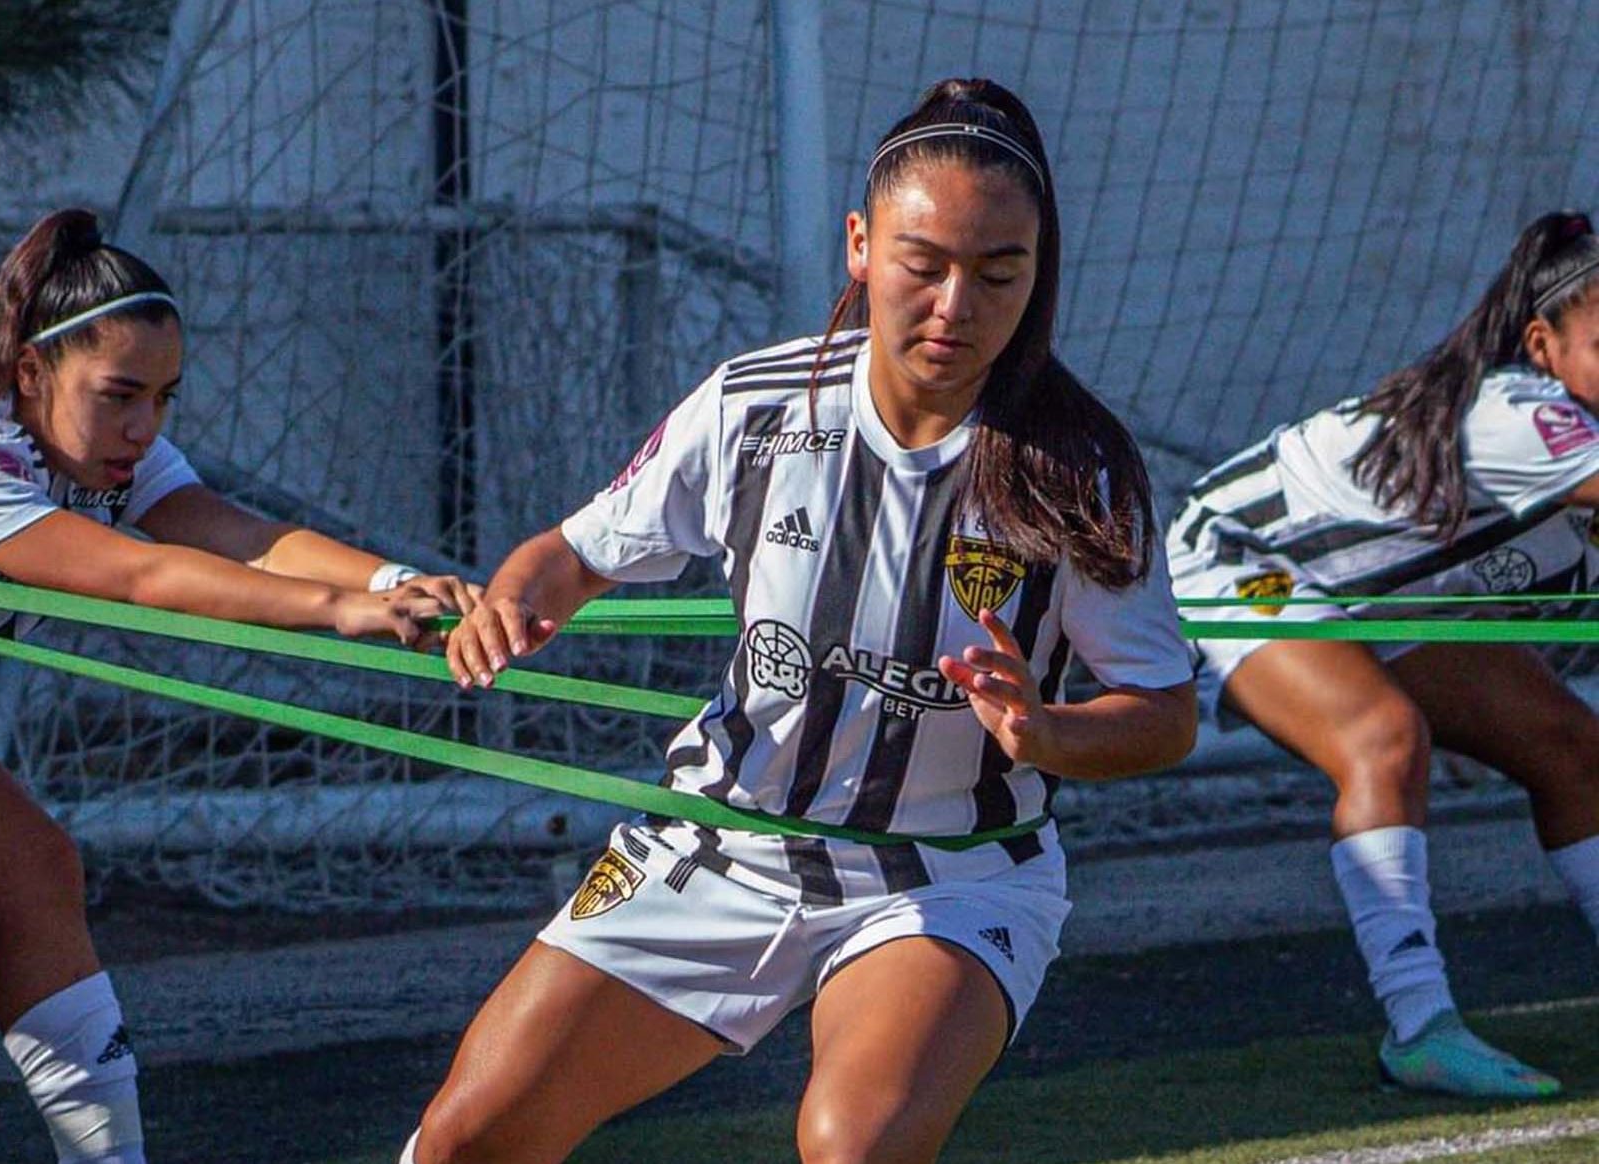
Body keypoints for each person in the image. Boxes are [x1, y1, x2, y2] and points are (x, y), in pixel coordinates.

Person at [408, 78, 1197, 1164]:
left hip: (950, 875)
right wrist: (512, 604)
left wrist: (1051, 735)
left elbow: (1161, 714)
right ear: (860, 246)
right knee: (468, 1139)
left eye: (998, 274)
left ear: (1038, 271)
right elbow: (573, 553)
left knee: (850, 1145)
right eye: (923, 266)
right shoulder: (752, 408)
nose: (955, 307)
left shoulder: (1080, 469)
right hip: (718, 847)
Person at [0, 208, 478, 1164]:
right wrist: (334, 614)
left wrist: (389, 585)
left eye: (166, 398)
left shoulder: (95, 448)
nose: (146, 428)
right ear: (31, 373)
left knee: (35, 872)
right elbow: (140, 576)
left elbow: (232, 531)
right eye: (121, 395)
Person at [1166, 210, 1599, 1099]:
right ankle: (1421, 1028)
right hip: (1242, 556)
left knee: (1571, 743)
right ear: (1544, 347)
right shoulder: (1525, 416)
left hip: (1384, 593)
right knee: (1385, 737)